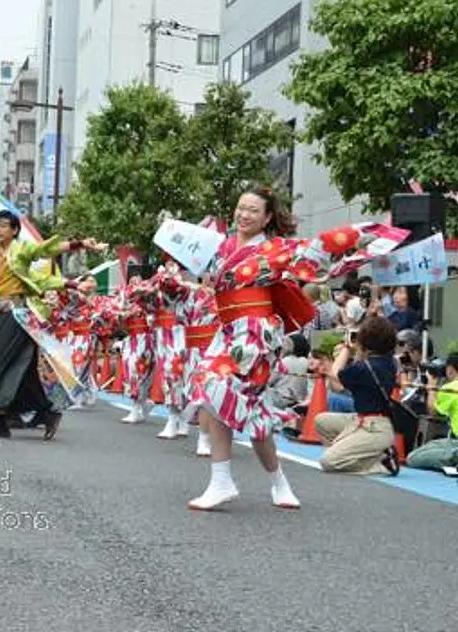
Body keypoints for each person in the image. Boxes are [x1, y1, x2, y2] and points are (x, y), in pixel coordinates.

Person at [183, 187, 404, 511]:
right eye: (241, 208)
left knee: (213, 383)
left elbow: (317, 249)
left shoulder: (274, 250)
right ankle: (276, 483)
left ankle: (222, 480)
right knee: (240, 410)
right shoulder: (223, 248)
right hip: (227, 331)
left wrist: (367, 233)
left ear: (268, 217)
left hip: (254, 335)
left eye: (253, 210)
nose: (244, 214)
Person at [0, 209, 104, 440]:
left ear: (15, 230)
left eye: (4, 225)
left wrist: (80, 244)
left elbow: (47, 249)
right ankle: (45, 411)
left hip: (17, 313)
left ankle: (2, 421)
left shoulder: (22, 250)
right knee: (21, 368)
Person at [314, 315, 400, 475]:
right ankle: (364, 452)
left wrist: (347, 348)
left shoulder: (363, 367)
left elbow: (336, 373)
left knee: (328, 462)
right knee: (322, 421)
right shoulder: (390, 362)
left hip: (373, 428)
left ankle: (382, 463)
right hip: (368, 421)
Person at [406, 354, 458, 471]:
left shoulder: (450, 388)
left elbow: (433, 412)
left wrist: (432, 386)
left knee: (413, 458)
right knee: (428, 448)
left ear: (450, 369)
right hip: (453, 440)